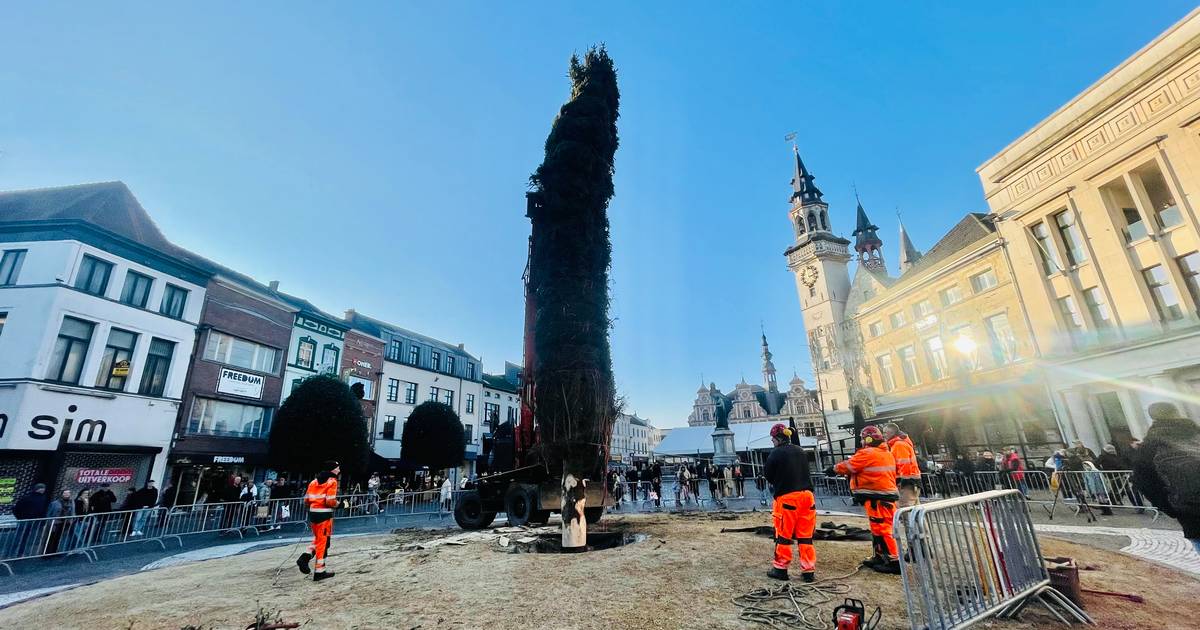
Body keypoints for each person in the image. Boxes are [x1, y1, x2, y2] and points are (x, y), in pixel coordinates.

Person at [830, 426, 901, 574]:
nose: (862, 441)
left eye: (863, 438)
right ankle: (880, 556)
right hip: (882, 496)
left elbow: (849, 466)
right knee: (878, 529)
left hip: (878, 498)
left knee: (883, 529)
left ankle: (894, 561)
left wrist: (833, 468)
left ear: (868, 439)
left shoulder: (868, 453)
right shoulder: (885, 452)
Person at [1132, 402, 1200, 553]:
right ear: (1177, 412)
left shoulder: (1148, 447)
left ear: (1152, 418)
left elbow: (1143, 483)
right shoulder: (1197, 433)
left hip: (1191, 514)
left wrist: (1170, 508)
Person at [764, 423, 816, 582]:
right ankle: (808, 571)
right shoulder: (800, 450)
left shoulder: (775, 453)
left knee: (784, 536)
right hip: (807, 497)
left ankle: (780, 569)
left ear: (777, 438)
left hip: (788, 498)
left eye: (773, 439)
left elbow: (769, 475)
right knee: (805, 536)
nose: (772, 442)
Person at [297, 460, 346, 581]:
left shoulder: (314, 481)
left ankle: (305, 558)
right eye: (337, 468)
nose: (339, 470)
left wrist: (315, 505)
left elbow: (306, 500)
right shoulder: (332, 481)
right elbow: (330, 501)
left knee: (319, 539)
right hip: (324, 515)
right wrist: (342, 505)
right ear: (332, 469)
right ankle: (319, 571)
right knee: (323, 543)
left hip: (313, 513)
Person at [882, 423, 921, 508]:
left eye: (885, 432)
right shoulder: (899, 444)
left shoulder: (898, 445)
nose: (883, 435)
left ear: (892, 433)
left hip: (906, 484)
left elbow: (904, 465)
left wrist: (903, 483)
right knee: (915, 511)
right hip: (911, 482)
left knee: (905, 510)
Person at [13, 483, 50, 555]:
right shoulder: (27, 497)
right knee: (19, 537)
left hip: (34, 521)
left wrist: (42, 520)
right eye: (41, 488)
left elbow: (42, 510)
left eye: (43, 488)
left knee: (27, 538)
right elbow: (16, 508)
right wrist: (20, 518)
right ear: (36, 489)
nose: (43, 489)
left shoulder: (43, 498)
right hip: (24, 520)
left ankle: (21, 553)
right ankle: (12, 553)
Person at [45, 489, 75, 555]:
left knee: (59, 538)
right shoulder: (55, 503)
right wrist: (49, 523)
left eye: (68, 493)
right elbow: (49, 513)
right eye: (65, 493)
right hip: (55, 523)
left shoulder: (71, 503)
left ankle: (55, 552)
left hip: (65, 523)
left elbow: (72, 512)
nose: (66, 495)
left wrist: (71, 520)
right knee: (51, 538)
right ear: (62, 494)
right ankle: (47, 553)